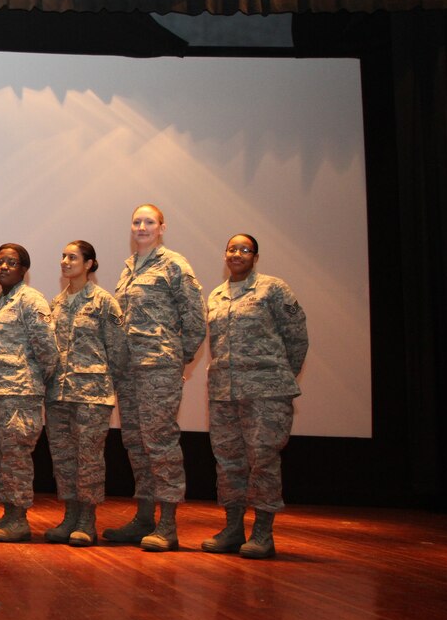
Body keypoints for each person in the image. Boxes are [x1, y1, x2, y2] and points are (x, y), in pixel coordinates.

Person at [106, 203, 206, 551]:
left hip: (158, 369)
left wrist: (177, 358)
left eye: (149, 222)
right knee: (136, 442)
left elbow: (195, 318)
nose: (142, 227)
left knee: (160, 442)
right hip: (128, 371)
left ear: (162, 227)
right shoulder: (128, 269)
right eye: (136, 221)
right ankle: (144, 518)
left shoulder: (174, 265)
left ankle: (167, 525)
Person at [202, 234, 308, 559]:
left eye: (244, 249)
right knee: (228, 461)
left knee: (262, 460)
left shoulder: (273, 289)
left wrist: (276, 375)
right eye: (232, 249)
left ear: (255, 257)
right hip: (224, 393)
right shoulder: (217, 295)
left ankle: (263, 533)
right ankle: (233, 529)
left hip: (266, 392)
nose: (237, 254)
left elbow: (297, 336)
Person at [44, 241, 128, 547]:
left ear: (90, 264)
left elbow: (118, 352)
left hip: (92, 395)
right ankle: (69, 516)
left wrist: (103, 383)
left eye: (73, 257)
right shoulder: (56, 304)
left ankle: (86, 520)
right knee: (63, 459)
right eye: (63, 256)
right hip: (58, 394)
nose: (65, 261)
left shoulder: (104, 302)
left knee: (89, 459)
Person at [0, 244, 58, 543]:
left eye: (11, 262)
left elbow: (48, 350)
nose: (3, 267)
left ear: (24, 269)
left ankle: (19, 518)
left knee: (16, 457)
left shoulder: (30, 301)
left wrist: (31, 383)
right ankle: (8, 513)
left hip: (18, 395)